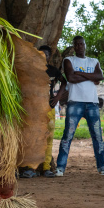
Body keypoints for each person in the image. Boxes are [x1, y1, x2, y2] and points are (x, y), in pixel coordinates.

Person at [55, 36, 104, 176]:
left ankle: (102, 167)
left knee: (97, 137)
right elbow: (71, 78)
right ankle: (60, 168)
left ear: (85, 45)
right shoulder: (69, 60)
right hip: (75, 102)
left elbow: (100, 77)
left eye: (81, 44)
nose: (79, 46)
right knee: (68, 135)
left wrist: (79, 72)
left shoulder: (94, 61)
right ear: (74, 47)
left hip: (92, 103)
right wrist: (90, 76)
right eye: (77, 44)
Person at [34, 45, 67, 178]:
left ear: (49, 57)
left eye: (46, 54)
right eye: (41, 54)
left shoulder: (53, 70)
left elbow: (64, 82)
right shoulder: (33, 69)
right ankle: (32, 168)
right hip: (34, 109)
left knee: (48, 138)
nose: (44, 56)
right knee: (34, 138)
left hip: (49, 108)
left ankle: (46, 168)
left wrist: (58, 96)